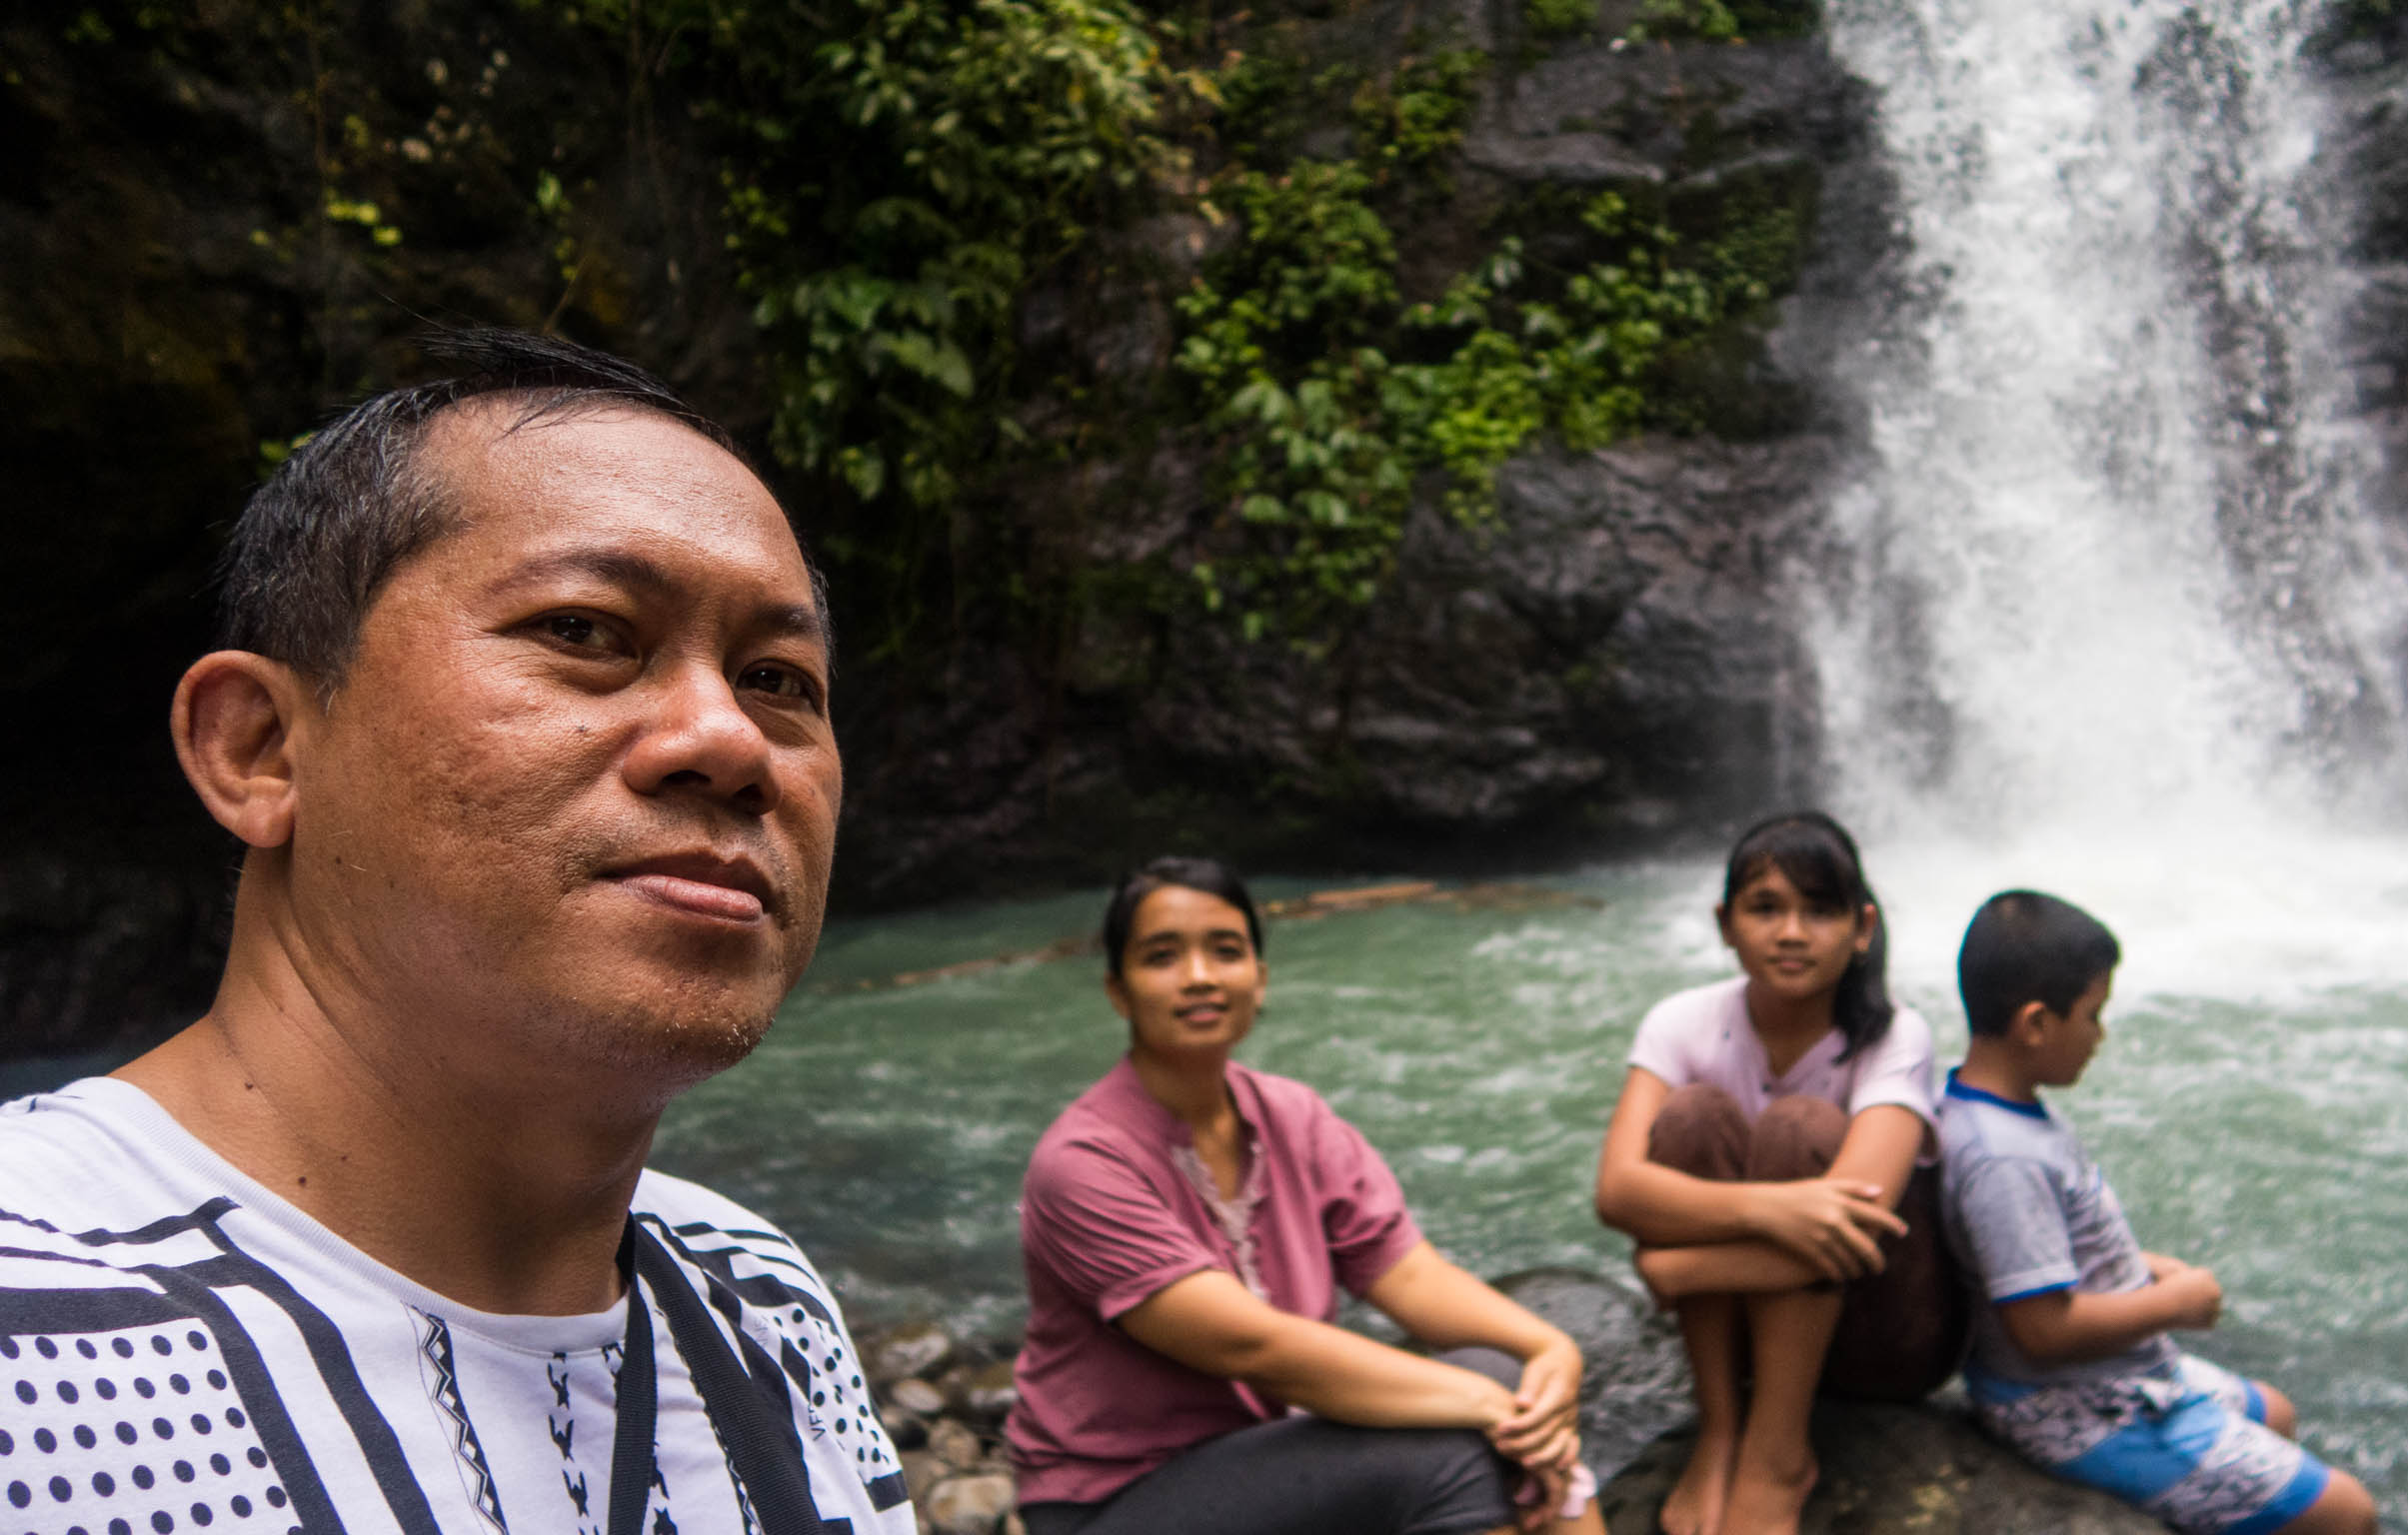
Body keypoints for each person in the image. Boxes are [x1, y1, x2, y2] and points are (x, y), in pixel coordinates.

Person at [0, 332, 916, 1533]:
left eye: (780, 679)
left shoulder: (756, 1291)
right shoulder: (34, 1333)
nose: (731, 740)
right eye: (585, 631)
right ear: (263, 749)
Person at [1004, 856, 1605, 1535]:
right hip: (1117, 1499)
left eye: (1225, 951)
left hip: (1264, 1456)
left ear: (1259, 980)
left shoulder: (1297, 1118)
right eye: (1163, 956)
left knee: (1508, 1379)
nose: (1200, 975)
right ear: (1119, 989)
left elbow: (1408, 1273)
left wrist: (1552, 1351)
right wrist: (1483, 1407)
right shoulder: (1082, 1163)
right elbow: (1252, 1348)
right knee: (1459, 1447)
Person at [1937, 889, 2378, 1535]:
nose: (2101, 1036)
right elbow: (2042, 1329)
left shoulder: (1991, 1110)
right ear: (2035, 1024)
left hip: (2116, 1380)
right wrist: (2175, 1305)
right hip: (2080, 1408)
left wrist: (2142, 1265)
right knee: (2351, 1514)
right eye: (2093, 1015)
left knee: (2276, 1414)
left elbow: (2025, 1251)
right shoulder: (2005, 1159)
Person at [1592, 811, 1967, 1535]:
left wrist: (1681, 1270)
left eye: (1819, 911)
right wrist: (1772, 1209)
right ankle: (1723, 1428)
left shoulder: (1894, 1034)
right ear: (1724, 923)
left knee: (1802, 1129)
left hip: (1885, 1332)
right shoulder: (1681, 1021)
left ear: (1861, 929)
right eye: (1765, 908)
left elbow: (1858, 1220)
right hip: (1744, 1338)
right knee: (1693, 1114)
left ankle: (1778, 1454)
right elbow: (1617, 1190)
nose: (1791, 932)